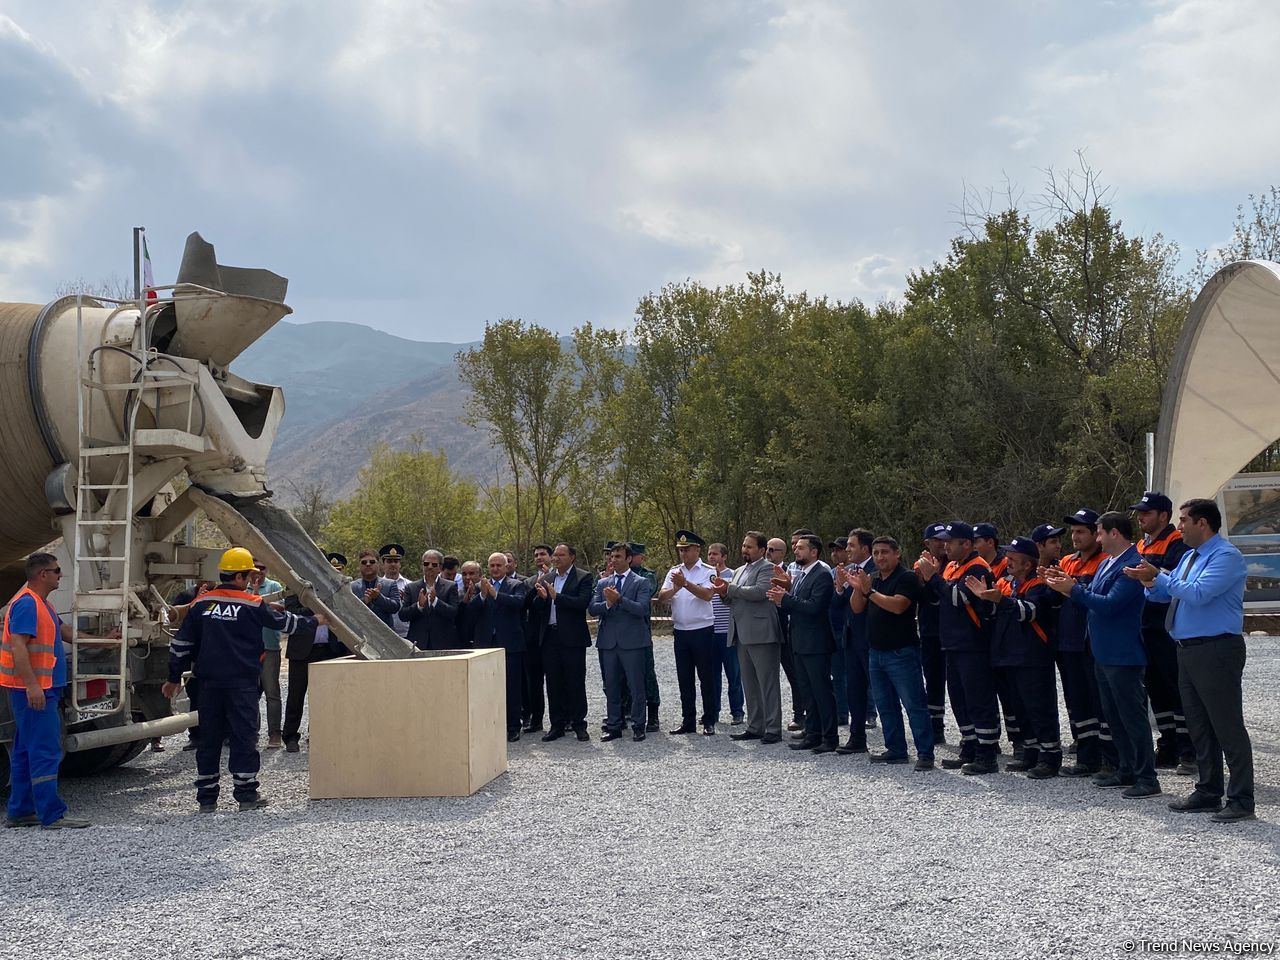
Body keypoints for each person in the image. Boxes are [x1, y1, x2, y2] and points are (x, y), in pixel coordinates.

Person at [163, 547, 323, 812]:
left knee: (209, 738)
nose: (250, 579)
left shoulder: (201, 604)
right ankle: (246, 794)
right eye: (248, 574)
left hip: (209, 684)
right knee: (243, 736)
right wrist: (314, 620)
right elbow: (285, 623)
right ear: (239, 576)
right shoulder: (252, 604)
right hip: (242, 683)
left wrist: (172, 677)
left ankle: (206, 798)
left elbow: (180, 643)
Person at [1124, 498, 1254, 823]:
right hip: (1188, 648)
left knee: (1227, 725)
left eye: (1183, 520)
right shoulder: (1189, 557)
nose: (1179, 526)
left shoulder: (1226, 557)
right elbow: (1168, 594)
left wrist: (1161, 576)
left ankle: (1241, 799)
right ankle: (1208, 791)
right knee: (1198, 724)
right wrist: (1149, 582)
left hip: (1216, 648)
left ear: (1202, 523)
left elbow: (1197, 593)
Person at [1045, 512, 1160, 799]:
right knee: (1114, 715)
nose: (1096, 538)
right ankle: (1126, 768)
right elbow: (1092, 597)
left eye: (1099, 532)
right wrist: (1070, 585)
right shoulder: (1109, 562)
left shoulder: (1133, 565)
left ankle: (1147, 777)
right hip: (1103, 652)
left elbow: (1109, 605)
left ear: (1114, 533)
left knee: (1132, 717)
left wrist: (1073, 590)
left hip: (1123, 653)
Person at [2, 552, 90, 829]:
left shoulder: (41, 604)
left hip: (39, 688)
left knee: (26, 750)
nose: (60, 574)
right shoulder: (28, 604)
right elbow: (18, 645)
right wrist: (33, 687)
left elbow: (64, 632)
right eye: (57, 570)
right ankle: (52, 815)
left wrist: (105, 640)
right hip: (34, 690)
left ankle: (20, 811)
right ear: (42, 574)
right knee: (46, 750)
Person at [969, 537, 1064, 778]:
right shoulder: (1006, 584)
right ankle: (1030, 752)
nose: (1008, 562)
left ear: (1028, 564)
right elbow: (994, 614)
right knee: (1020, 709)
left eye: (1013, 559)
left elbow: (1029, 612)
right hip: (1009, 656)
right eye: (1008, 557)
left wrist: (999, 600)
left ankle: (1050, 757)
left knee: (1039, 708)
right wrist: (986, 600)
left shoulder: (1039, 585)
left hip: (1032, 657)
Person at [916, 522, 1000, 775]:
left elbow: (957, 598)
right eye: (943, 541)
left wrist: (933, 577)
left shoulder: (977, 567)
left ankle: (987, 754)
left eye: (950, 541)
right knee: (959, 699)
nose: (945, 545)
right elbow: (937, 598)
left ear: (967, 544)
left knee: (978, 699)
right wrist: (931, 579)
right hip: (952, 642)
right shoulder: (952, 565)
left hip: (972, 643)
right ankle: (970, 747)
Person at [851, 536, 934, 770]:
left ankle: (926, 753)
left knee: (914, 704)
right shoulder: (873, 578)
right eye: (876, 553)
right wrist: (859, 589)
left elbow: (898, 606)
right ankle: (896, 749)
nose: (880, 557)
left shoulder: (906, 577)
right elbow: (857, 608)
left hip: (902, 652)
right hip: (876, 653)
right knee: (885, 705)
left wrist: (869, 593)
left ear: (897, 553)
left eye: (885, 552)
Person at [1130, 491, 1196, 774]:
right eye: (1139, 512)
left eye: (1146, 512)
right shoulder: (1142, 543)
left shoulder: (1176, 541)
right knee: (1156, 690)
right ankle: (1167, 745)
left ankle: (1188, 750)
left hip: (1166, 626)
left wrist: (1147, 574)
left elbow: (1171, 578)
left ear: (1163, 516)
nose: (1140, 517)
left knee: (1176, 687)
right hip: (1145, 627)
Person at [711, 531, 783, 744]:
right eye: (744, 546)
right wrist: (722, 593)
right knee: (749, 683)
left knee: (767, 683)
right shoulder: (739, 570)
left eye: (750, 547)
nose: (745, 550)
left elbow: (761, 591)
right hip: (741, 632)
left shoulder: (768, 567)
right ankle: (755, 725)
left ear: (762, 550)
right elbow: (731, 599)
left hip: (762, 633)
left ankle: (773, 728)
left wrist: (730, 588)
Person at [771, 534, 838, 753]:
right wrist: (784, 596)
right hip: (799, 641)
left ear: (814, 552)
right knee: (807, 691)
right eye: (796, 548)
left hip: (816, 643)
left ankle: (830, 737)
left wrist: (786, 599)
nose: (796, 551)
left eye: (801, 548)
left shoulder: (822, 575)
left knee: (821, 691)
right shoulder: (800, 574)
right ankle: (813, 733)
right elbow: (797, 604)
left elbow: (814, 607)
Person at [659, 530, 721, 736]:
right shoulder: (674, 571)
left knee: (707, 677)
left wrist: (685, 583)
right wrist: (676, 587)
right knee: (684, 678)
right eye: (680, 550)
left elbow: (707, 595)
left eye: (687, 550)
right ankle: (688, 720)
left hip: (702, 630)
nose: (683, 554)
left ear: (697, 550)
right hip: (681, 631)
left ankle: (709, 719)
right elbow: (662, 597)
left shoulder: (708, 570)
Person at [591, 542, 654, 742]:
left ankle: (638, 725)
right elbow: (592, 608)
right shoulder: (603, 583)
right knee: (611, 686)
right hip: (608, 643)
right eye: (611, 556)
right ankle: (614, 725)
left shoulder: (641, 582)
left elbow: (642, 609)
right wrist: (608, 604)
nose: (613, 560)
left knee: (636, 686)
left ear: (628, 559)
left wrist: (619, 600)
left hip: (633, 642)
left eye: (618, 556)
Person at [531, 543, 594, 742]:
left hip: (572, 638)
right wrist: (541, 599)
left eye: (561, 555)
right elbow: (537, 608)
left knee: (575, 682)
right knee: (553, 683)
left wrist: (557, 597)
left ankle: (579, 725)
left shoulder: (583, 577)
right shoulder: (548, 578)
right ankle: (556, 725)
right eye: (555, 555)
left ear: (572, 557)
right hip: (550, 637)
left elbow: (582, 604)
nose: (556, 558)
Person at [473, 553, 529, 742]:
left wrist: (496, 595)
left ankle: (513, 726)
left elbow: (519, 603)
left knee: (512, 687)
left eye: (499, 565)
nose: (495, 569)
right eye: (492, 565)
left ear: (506, 567)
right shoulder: (481, 586)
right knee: (487, 687)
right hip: (487, 642)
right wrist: (482, 595)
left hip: (510, 643)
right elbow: (471, 611)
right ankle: (491, 725)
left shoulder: (516, 585)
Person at [281, 593, 344, 754]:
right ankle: (290, 737)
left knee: (325, 697)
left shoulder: (330, 588)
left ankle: (319, 734)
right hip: (302, 652)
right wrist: (316, 607)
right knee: (296, 695)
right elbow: (292, 613)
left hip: (328, 651)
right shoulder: (295, 588)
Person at [834, 528, 877, 754]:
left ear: (864, 548)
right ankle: (856, 737)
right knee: (854, 690)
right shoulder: (849, 571)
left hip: (871, 638)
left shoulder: (875, 570)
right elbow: (838, 606)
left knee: (881, 690)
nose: (847, 550)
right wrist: (841, 588)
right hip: (851, 638)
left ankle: (895, 741)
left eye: (851, 546)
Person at [768, 536, 807, 733]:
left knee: (795, 674)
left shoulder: (793, 569)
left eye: (773, 550)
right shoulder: (761, 570)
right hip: (767, 629)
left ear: (782, 553)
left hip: (788, 628)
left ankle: (800, 714)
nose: (769, 553)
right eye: (767, 549)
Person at [916, 524, 949, 744]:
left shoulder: (955, 563)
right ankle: (936, 726)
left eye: (944, 539)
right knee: (934, 680)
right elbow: (926, 597)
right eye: (936, 539)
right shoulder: (921, 566)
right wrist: (928, 577)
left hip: (954, 631)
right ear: (927, 543)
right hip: (930, 631)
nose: (942, 543)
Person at [248, 561, 285, 748]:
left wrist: (257, 601)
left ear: (266, 570)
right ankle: (251, 732)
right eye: (254, 568)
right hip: (247, 649)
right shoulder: (244, 588)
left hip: (269, 647)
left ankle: (275, 734)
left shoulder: (274, 586)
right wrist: (258, 600)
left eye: (262, 568)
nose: (258, 572)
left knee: (272, 692)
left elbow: (280, 608)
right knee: (249, 692)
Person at [708, 541, 744, 725]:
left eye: (715, 554)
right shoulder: (705, 575)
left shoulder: (734, 575)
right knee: (712, 676)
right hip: (709, 632)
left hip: (728, 632)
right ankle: (713, 712)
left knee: (734, 675)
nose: (712, 557)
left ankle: (737, 711)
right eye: (710, 554)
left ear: (724, 557)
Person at [627, 542, 662, 732]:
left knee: (647, 674)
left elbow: (644, 594)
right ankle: (626, 712)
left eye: (635, 555)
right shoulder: (613, 574)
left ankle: (653, 715)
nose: (632, 559)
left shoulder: (646, 576)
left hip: (641, 632)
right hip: (622, 633)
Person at [521, 544, 554, 734]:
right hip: (533, 638)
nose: (539, 558)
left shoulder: (559, 578)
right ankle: (536, 719)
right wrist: (537, 586)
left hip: (553, 636)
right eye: (536, 555)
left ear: (550, 557)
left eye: (543, 554)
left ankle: (562, 719)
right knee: (534, 682)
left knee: (556, 680)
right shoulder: (529, 582)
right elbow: (526, 605)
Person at [399, 550, 460, 650]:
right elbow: (403, 615)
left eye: (434, 564)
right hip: (418, 643)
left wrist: (436, 601)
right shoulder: (411, 587)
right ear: (422, 566)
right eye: (426, 564)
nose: (430, 567)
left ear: (440, 568)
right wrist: (418, 606)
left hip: (443, 643)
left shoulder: (451, 586)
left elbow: (453, 612)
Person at [827, 536, 851, 726]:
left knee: (857, 672)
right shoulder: (831, 572)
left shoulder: (856, 571)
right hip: (834, 627)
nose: (835, 553)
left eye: (839, 549)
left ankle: (869, 713)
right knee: (838, 674)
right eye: (833, 550)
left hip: (850, 626)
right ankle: (842, 713)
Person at [351, 549, 400, 628]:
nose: (368, 564)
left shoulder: (390, 584)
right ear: (359, 565)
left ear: (378, 564)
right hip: (360, 635)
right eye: (364, 562)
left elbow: (395, 607)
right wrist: (364, 601)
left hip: (385, 635)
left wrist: (378, 597)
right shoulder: (352, 587)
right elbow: (348, 610)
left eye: (372, 562)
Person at [379, 543, 412, 640]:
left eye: (396, 561)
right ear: (383, 564)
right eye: (389, 561)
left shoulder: (410, 585)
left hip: (407, 634)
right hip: (384, 634)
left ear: (400, 564)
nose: (393, 564)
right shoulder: (378, 586)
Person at [454, 561, 485, 648]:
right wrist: (464, 602)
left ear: (480, 575)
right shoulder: (456, 594)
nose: (467, 577)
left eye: (471, 574)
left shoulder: (488, 592)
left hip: (484, 642)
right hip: (463, 643)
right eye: (464, 574)